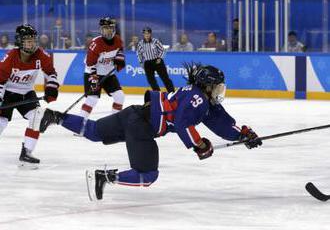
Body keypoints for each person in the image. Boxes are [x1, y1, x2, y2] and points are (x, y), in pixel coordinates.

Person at [32, 62, 262, 200]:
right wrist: (199, 144)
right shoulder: (198, 99)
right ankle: (104, 177)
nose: (220, 90)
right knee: (147, 175)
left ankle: (55, 116)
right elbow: (183, 124)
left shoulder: (200, 97)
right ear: (207, 85)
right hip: (142, 127)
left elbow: (221, 123)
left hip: (135, 113)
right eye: (218, 86)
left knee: (92, 131)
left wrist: (242, 133)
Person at [0, 24, 59, 167]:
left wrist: (51, 88)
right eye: (27, 40)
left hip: (26, 93)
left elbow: (51, 73)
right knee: (1, 122)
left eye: (33, 40)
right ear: (20, 41)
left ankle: (27, 152)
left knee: (37, 116)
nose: (31, 43)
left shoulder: (41, 55)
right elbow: (0, 81)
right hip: (7, 93)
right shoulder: (10, 58)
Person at [78, 17, 125, 133]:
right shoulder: (96, 44)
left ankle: (115, 124)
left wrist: (119, 59)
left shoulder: (118, 41)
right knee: (92, 99)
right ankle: (80, 125)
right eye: (104, 28)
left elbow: (120, 51)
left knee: (120, 96)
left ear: (114, 29)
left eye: (109, 28)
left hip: (108, 74)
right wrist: (94, 79)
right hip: (92, 72)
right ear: (101, 30)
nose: (107, 31)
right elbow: (90, 64)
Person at [137, 27, 175, 93]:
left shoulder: (155, 41)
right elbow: (139, 53)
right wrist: (140, 62)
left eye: (148, 33)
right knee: (151, 80)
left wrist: (160, 58)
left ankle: (172, 92)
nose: (147, 35)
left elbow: (162, 50)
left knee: (165, 78)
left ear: (150, 34)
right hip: (147, 63)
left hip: (157, 62)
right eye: (145, 33)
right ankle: (157, 93)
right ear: (143, 34)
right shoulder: (140, 43)